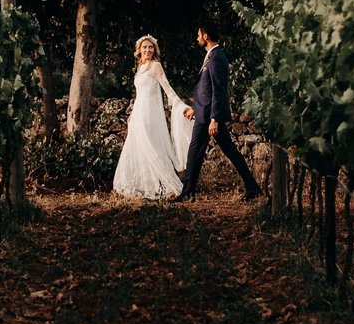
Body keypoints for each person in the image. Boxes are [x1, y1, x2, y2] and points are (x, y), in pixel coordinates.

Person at [175, 21, 263, 202]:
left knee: (195, 151)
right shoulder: (211, 56)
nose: (197, 37)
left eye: (199, 34)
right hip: (204, 112)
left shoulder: (216, 58)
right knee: (228, 150)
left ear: (205, 36)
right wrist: (196, 108)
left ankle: (187, 193)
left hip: (209, 116)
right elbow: (205, 89)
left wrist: (214, 118)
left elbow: (218, 89)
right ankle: (253, 187)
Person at [112, 35, 193, 199]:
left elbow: (168, 89)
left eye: (151, 47)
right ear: (139, 51)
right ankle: (144, 185)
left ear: (154, 50)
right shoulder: (140, 68)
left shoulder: (156, 66)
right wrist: (132, 114)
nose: (148, 50)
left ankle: (172, 187)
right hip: (139, 113)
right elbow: (139, 95)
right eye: (145, 47)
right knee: (139, 147)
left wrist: (181, 106)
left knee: (154, 147)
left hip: (150, 114)